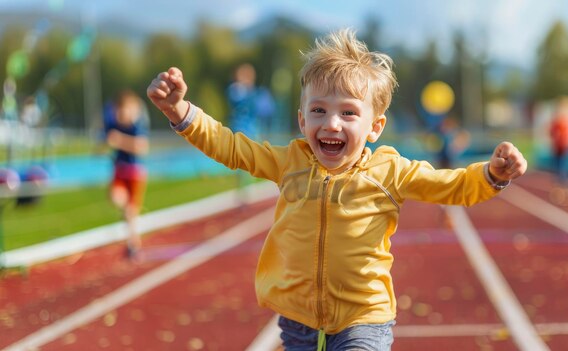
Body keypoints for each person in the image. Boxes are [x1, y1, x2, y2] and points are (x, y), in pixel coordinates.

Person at [147, 29, 527, 351]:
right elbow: (231, 147)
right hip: (298, 320)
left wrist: (491, 174)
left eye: (348, 113)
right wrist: (181, 112)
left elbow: (452, 185)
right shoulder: (290, 163)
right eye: (318, 111)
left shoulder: (389, 170)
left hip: (365, 317)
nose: (331, 124)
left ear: (375, 127)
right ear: (301, 119)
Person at [104, 90, 150, 260]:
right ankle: (133, 239)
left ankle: (133, 244)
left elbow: (142, 147)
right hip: (119, 169)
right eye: (118, 112)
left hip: (136, 172)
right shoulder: (113, 123)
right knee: (117, 198)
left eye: (124, 111)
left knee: (131, 211)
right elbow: (106, 140)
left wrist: (120, 141)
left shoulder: (137, 126)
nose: (120, 115)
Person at [226, 63, 275, 203]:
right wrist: (254, 95)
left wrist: (261, 96)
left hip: (253, 129)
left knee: (254, 158)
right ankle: (242, 190)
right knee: (242, 159)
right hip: (240, 128)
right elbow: (239, 100)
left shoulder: (254, 91)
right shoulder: (236, 89)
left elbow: (265, 110)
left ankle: (248, 187)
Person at [548, 96, 568, 205]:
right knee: (558, 170)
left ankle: (566, 191)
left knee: (566, 170)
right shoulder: (557, 121)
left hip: (567, 148)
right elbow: (551, 132)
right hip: (558, 149)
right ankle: (559, 191)